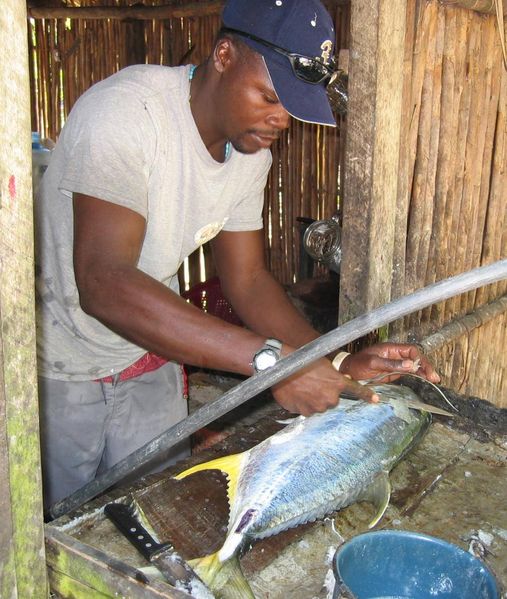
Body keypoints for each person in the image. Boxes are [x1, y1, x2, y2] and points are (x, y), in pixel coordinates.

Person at [35, 0, 440, 509]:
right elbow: (104, 283)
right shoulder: (127, 113)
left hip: (148, 356)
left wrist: (332, 359)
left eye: (291, 110)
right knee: (59, 531)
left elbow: (247, 280)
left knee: (156, 514)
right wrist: (273, 363)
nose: (280, 121)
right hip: (59, 366)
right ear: (224, 55)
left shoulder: (251, 153)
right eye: (270, 97)